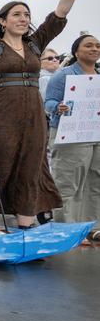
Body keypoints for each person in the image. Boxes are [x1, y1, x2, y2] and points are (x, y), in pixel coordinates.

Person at [0, 0, 93, 228]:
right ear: (4, 21)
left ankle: (25, 227)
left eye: (26, 14)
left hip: (34, 115)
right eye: (16, 14)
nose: (24, 18)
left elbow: (60, 13)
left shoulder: (35, 44)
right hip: (1, 114)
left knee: (30, 166)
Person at [45, 34, 100, 240]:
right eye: (89, 46)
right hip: (69, 136)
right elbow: (48, 102)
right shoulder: (64, 75)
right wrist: (58, 107)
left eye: (97, 46)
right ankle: (66, 231)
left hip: (96, 134)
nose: (94, 49)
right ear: (76, 51)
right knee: (68, 183)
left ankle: (93, 228)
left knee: (95, 183)